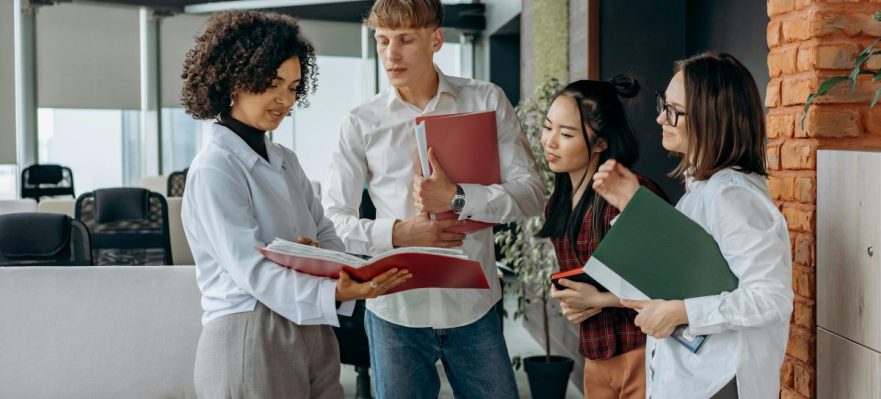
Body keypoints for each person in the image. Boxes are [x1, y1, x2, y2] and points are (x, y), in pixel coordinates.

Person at [179, 11, 411, 398]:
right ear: (235, 81)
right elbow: (250, 269)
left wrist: (342, 268)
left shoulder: (285, 159)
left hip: (311, 326)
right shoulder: (215, 166)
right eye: (272, 85)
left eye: (293, 87)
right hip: (250, 331)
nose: (285, 100)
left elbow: (325, 234)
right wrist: (334, 289)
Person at [322, 0, 544, 397]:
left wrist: (457, 197)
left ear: (436, 39)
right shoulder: (360, 122)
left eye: (405, 39)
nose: (392, 54)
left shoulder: (486, 101)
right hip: (395, 311)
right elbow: (333, 221)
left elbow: (531, 194)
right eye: (383, 40)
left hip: (473, 306)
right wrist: (399, 234)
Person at [592, 52, 794, 399]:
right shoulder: (704, 190)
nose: (660, 118)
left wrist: (679, 311)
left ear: (710, 117)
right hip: (692, 379)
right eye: (662, 103)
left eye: (673, 110)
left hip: (717, 382)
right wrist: (633, 207)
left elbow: (771, 298)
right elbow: (689, 272)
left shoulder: (732, 196)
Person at [540, 77, 668, 399]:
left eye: (566, 134)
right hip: (595, 354)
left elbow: (669, 286)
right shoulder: (557, 203)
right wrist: (571, 300)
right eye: (547, 127)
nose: (550, 142)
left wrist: (596, 300)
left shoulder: (632, 193)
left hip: (643, 350)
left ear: (600, 143)